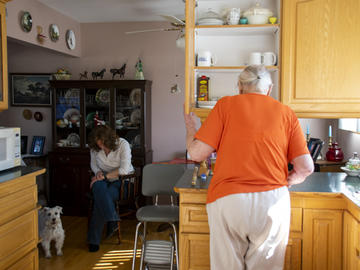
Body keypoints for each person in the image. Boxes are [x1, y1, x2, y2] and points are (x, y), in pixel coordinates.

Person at [184, 65, 314, 269]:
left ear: (239, 87)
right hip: (272, 201)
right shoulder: (286, 113)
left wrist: (192, 128)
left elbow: (196, 153)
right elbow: (306, 167)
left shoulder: (225, 105)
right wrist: (289, 180)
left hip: (228, 200)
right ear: (269, 89)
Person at [87, 125, 134, 252]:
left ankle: (94, 240)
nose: (101, 147)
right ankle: (112, 217)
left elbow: (124, 170)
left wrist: (104, 176)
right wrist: (98, 174)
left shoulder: (123, 145)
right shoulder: (95, 148)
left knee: (100, 197)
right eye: (98, 144)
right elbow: (94, 165)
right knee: (99, 189)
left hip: (123, 181)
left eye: (103, 144)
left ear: (109, 139)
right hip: (103, 179)